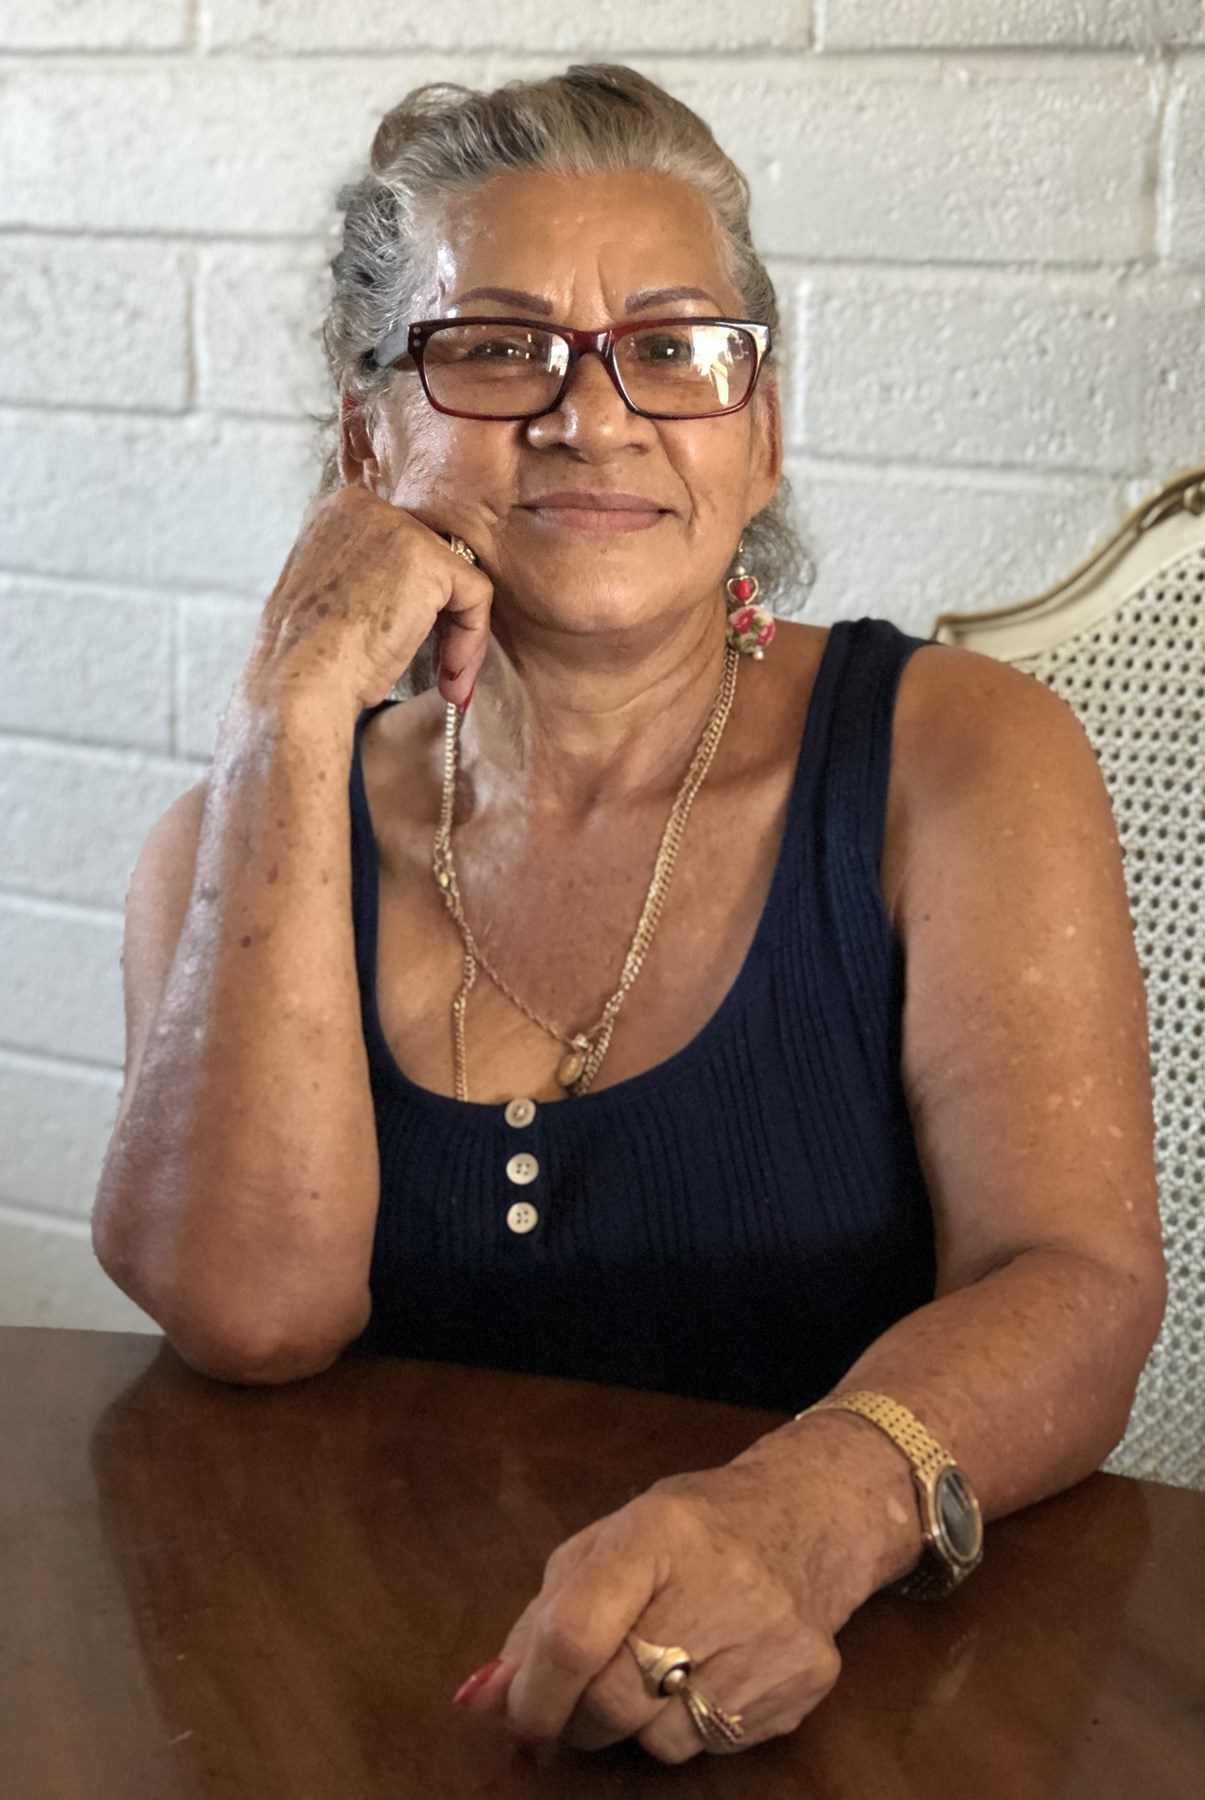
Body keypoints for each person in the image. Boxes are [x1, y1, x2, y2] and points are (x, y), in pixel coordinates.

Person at [92, 64, 1166, 1766]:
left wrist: (808, 1512)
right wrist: (287, 708)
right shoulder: (243, 831)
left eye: (672, 349)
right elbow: (252, 1317)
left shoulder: (955, 759)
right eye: (494, 346)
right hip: (352, 1690)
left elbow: (1079, 1283)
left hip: (862, 1691)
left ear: (761, 431)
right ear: (367, 436)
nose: (593, 419)